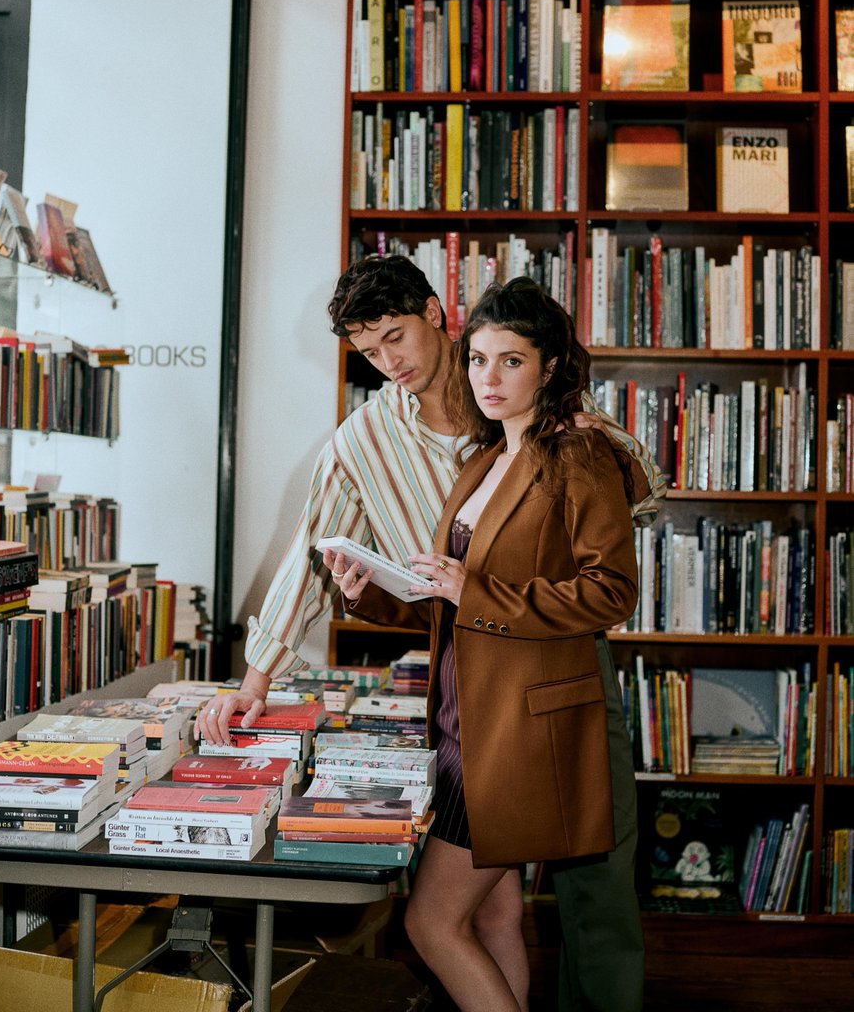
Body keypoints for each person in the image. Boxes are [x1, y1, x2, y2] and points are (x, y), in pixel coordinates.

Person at [195, 257, 659, 1009]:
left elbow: (617, 543)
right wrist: (285, 659)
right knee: (495, 907)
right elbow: (333, 561)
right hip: (462, 694)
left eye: (396, 337)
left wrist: (581, 429)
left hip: (555, 671)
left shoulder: (551, 431)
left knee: (590, 893)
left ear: (437, 312)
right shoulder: (388, 443)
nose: (389, 363)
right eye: (369, 352)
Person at [323, 277, 643, 1012]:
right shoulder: (481, 459)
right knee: (495, 914)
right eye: (478, 360)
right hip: (463, 718)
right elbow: (450, 602)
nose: (488, 379)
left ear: (551, 366)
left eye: (510, 361)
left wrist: (477, 592)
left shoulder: (579, 458)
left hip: (516, 731)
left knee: (432, 921)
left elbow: (610, 594)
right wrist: (366, 590)